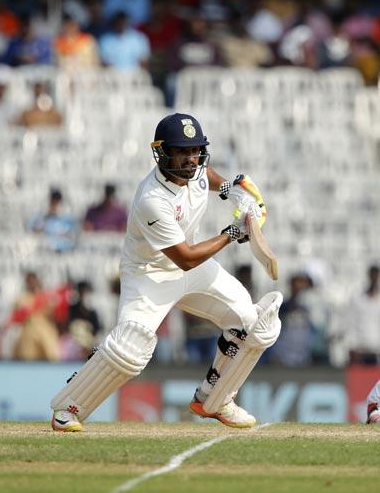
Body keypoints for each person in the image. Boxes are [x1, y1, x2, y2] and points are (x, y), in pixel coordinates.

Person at [49, 112, 281, 432]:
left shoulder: (195, 168)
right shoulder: (151, 199)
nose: (190, 159)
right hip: (150, 274)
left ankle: (215, 399)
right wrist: (231, 232)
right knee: (131, 349)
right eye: (181, 152)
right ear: (163, 153)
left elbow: (206, 176)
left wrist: (230, 187)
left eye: (195, 150)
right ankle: (67, 407)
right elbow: (184, 258)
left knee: (252, 323)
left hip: (192, 269)